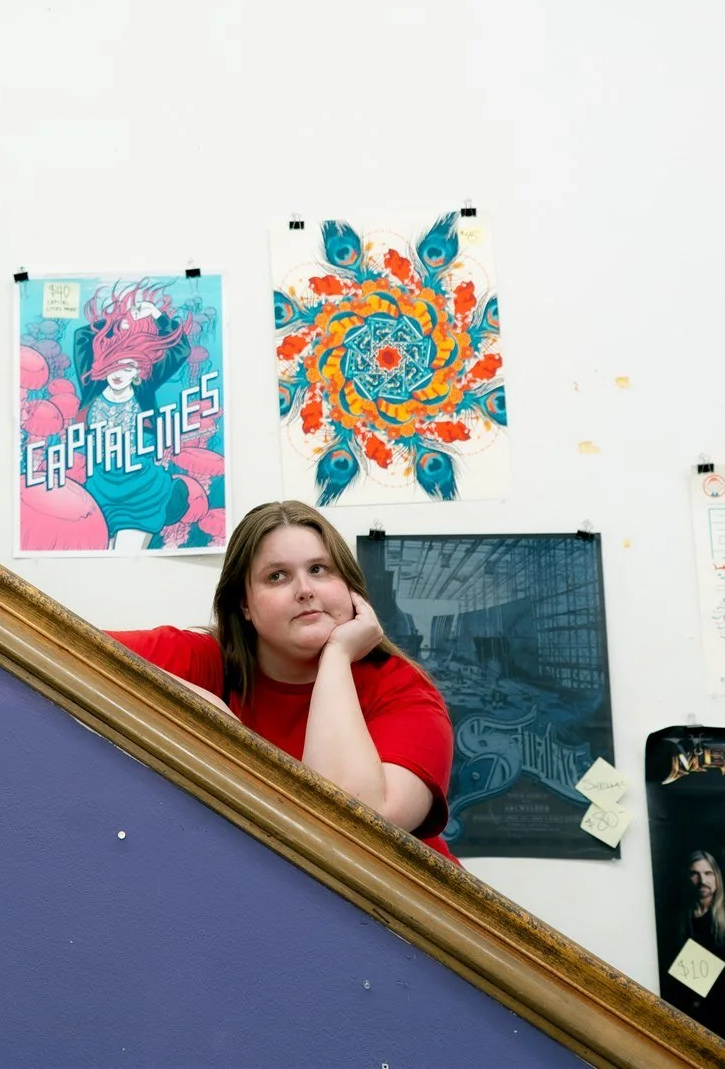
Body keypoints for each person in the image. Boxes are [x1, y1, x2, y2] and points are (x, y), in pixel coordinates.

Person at [109, 500, 457, 859]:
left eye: (319, 569)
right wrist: (209, 715)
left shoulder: (404, 691)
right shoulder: (209, 661)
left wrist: (337, 655)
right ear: (244, 605)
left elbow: (348, 834)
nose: (305, 589)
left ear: (350, 587)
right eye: (277, 576)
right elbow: (74, 651)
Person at [71, 284, 199, 552]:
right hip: (99, 488)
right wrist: (120, 319)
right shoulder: (92, 385)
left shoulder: (145, 389)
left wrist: (155, 314)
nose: (119, 373)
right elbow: (82, 335)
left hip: (141, 492)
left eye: (129, 366)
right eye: (114, 364)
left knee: (126, 560)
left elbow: (181, 349)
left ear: (139, 371)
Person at [661, 851, 725, 1046]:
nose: (702, 880)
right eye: (695, 874)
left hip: (723, 1014)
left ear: (717, 877)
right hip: (685, 1012)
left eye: (708, 873)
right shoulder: (678, 920)